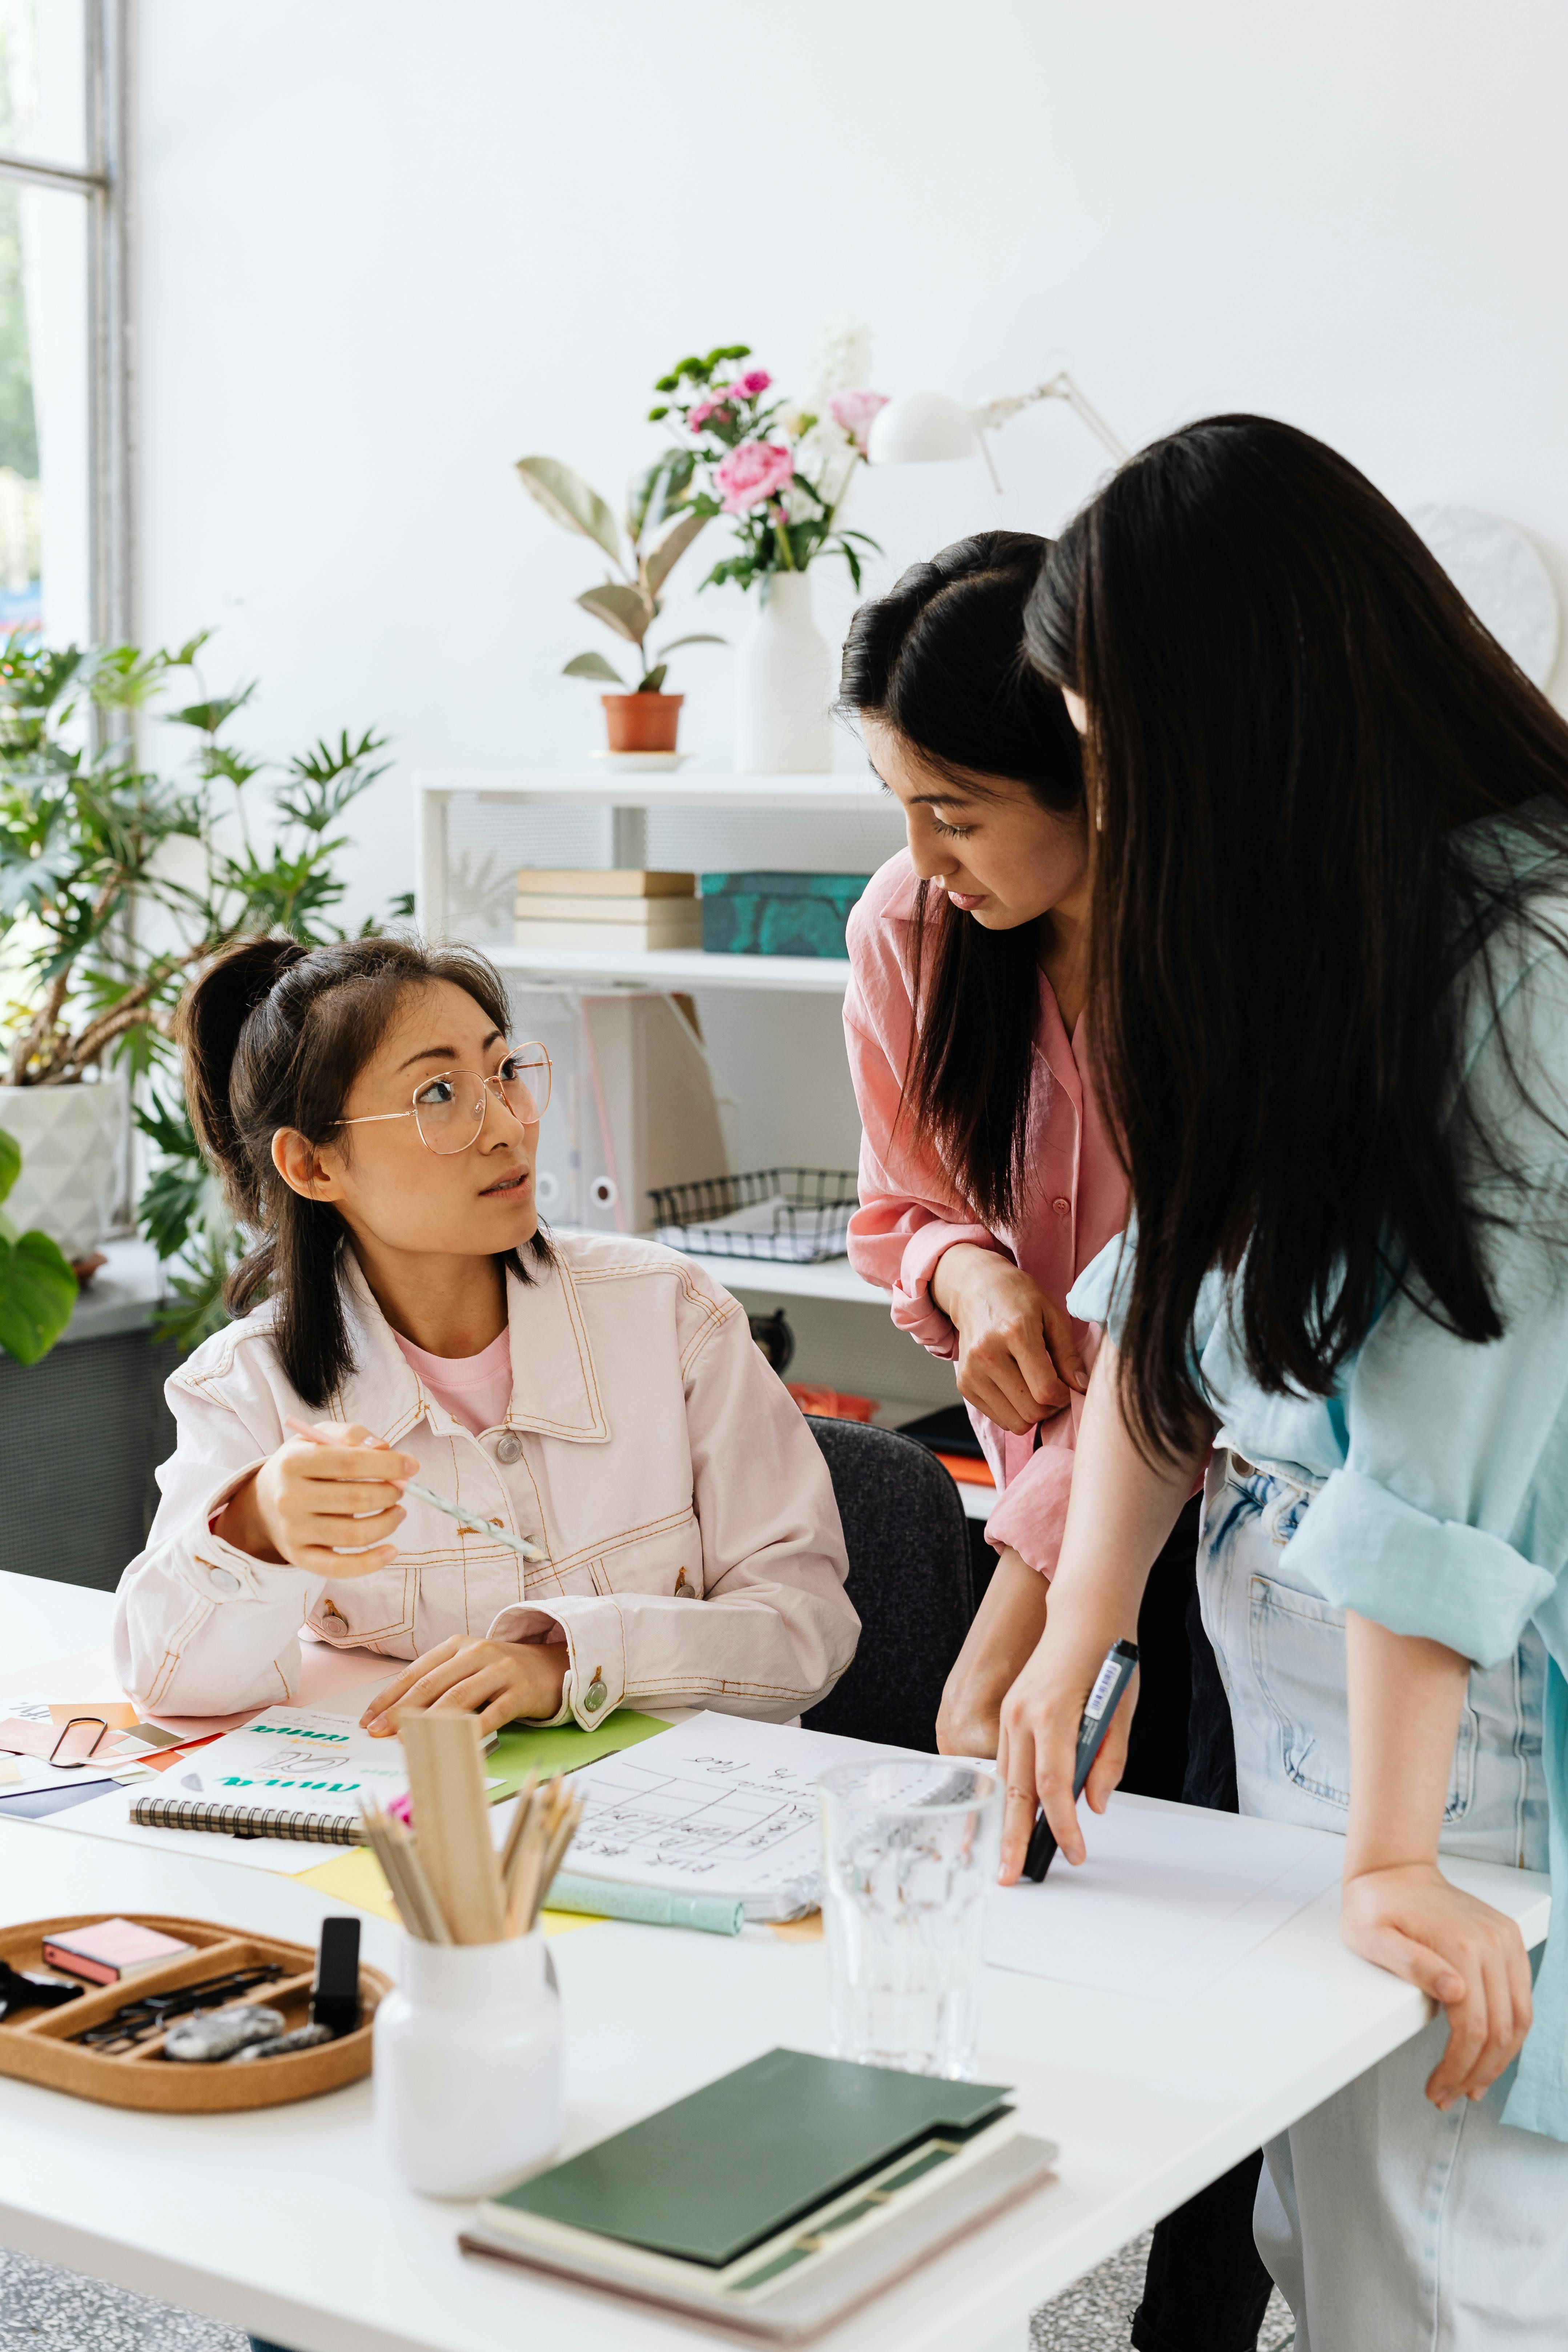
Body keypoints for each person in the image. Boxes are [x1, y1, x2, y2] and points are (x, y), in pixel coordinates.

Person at [1004, 413, 1568, 2352]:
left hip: (1457, 1700)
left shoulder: (1522, 953)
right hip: (1318, 1673)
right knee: (1326, 2224)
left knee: (1447, 2243)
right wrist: (1079, 1620)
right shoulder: (1314, 925)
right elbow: (1172, 1304)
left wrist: (1393, 1847)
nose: (1108, 793)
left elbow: (1440, 1450)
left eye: (1114, 745)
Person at [839, 533, 1275, 2352]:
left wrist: (1031, 1580)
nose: (920, 853)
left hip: (1242, 1484)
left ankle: (1196, 2304)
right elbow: (895, 1201)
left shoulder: (1236, 947)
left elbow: (1192, 1317)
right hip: (1051, 1467)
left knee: (1216, 1913)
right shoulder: (909, 926)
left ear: (1091, 769)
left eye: (954, 810)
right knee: (1031, 1863)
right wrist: (967, 1270)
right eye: (897, 803)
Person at [113, 934, 858, 1733]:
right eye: (438, 1092)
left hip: (691, 1800)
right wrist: (255, 1528)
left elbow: (805, 1629)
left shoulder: (670, 1311)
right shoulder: (246, 1388)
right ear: (313, 1166)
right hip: (421, 1803)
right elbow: (168, 1683)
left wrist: (570, 1663)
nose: (508, 1124)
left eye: (504, 1072)